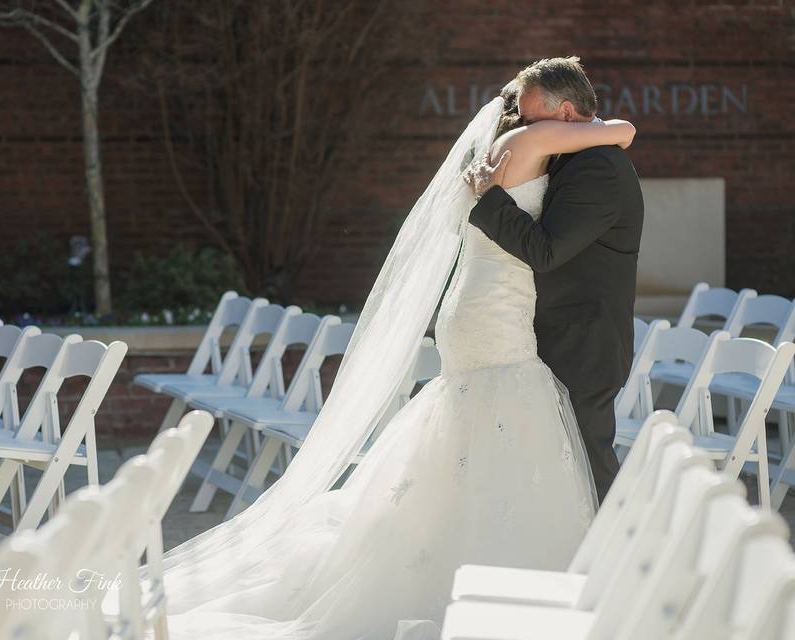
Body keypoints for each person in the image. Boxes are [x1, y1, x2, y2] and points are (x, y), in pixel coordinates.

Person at [163, 57, 639, 640]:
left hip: (545, 327)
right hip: (502, 318)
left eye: (532, 109)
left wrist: (598, 138)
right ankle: (578, 584)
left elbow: (591, 176)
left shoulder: (572, 161)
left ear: (566, 111)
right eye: (522, 108)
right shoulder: (537, 140)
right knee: (550, 445)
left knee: (554, 447)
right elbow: (607, 150)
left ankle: (585, 579)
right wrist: (612, 129)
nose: (522, 116)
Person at [468, 56, 644, 501]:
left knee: (590, 471)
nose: (522, 129)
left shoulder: (597, 167)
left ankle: (614, 560)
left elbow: (547, 251)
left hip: (583, 345)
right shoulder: (573, 157)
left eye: (529, 121)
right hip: (551, 336)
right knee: (553, 476)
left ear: (566, 113)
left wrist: (490, 200)